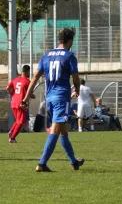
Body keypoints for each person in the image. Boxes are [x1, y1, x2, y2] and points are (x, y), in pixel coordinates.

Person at [21, 28, 85, 172]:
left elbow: (35, 78)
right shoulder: (69, 56)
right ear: (69, 41)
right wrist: (77, 89)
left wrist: (26, 98)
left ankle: (74, 162)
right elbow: (75, 78)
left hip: (49, 97)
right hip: (61, 97)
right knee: (56, 129)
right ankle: (42, 163)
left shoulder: (46, 56)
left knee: (63, 130)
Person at [6, 65, 34, 143]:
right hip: (21, 103)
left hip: (13, 102)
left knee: (18, 120)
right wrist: (32, 96)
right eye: (29, 72)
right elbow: (29, 93)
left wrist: (13, 95)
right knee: (21, 122)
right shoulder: (27, 81)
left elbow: (7, 88)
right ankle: (12, 138)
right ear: (27, 71)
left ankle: (11, 131)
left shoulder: (15, 80)